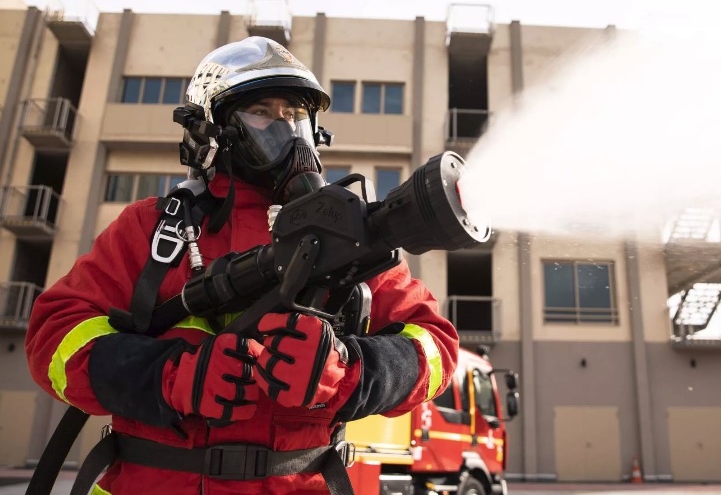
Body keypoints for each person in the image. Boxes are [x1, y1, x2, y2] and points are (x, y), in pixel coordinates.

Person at [25, 36, 458, 494]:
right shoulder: (153, 229)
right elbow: (53, 337)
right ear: (212, 130)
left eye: (294, 115)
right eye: (263, 113)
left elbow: (435, 348)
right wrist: (169, 377)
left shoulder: (349, 237)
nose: (286, 130)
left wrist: (349, 370)